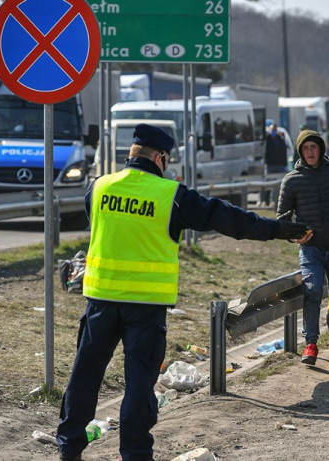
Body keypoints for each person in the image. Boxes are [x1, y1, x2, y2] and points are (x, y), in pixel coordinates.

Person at [56, 124, 309, 461]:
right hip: (145, 308)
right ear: (160, 157)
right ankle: (134, 454)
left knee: (85, 375)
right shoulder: (171, 195)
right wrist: (277, 230)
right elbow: (227, 219)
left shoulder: (98, 187)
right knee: (138, 383)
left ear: (131, 154)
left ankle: (69, 447)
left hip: (100, 301)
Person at [277, 130, 329, 370]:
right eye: (305, 148)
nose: (310, 152)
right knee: (312, 291)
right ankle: (311, 344)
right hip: (310, 249)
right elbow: (282, 218)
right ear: (300, 151)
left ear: (321, 149)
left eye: (313, 147)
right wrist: (296, 234)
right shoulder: (292, 180)